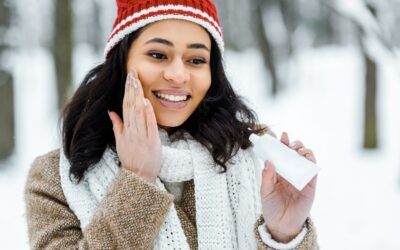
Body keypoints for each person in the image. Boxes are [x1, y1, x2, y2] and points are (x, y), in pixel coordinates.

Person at [25, 0, 319, 249]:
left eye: (195, 60)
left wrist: (285, 235)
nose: (178, 74)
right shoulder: (55, 179)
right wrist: (136, 181)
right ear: (122, 61)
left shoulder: (252, 157)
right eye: (157, 55)